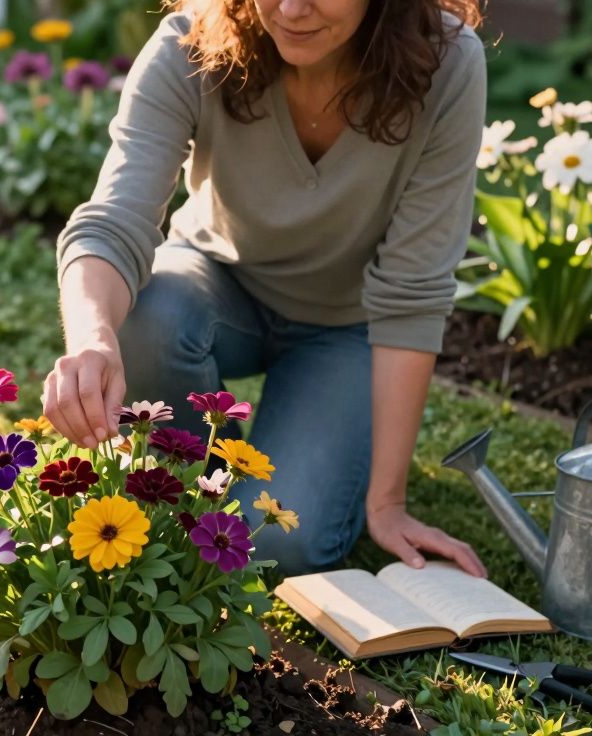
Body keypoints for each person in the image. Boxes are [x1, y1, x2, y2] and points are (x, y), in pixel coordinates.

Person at [42, 0, 489, 578]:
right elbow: (113, 221)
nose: (291, 9)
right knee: (138, 316)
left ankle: (266, 473)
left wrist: (388, 503)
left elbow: (414, 292)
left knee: (280, 543)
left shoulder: (445, 62)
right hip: (215, 286)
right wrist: (92, 342)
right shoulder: (190, 43)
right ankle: (203, 481)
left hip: (348, 328)